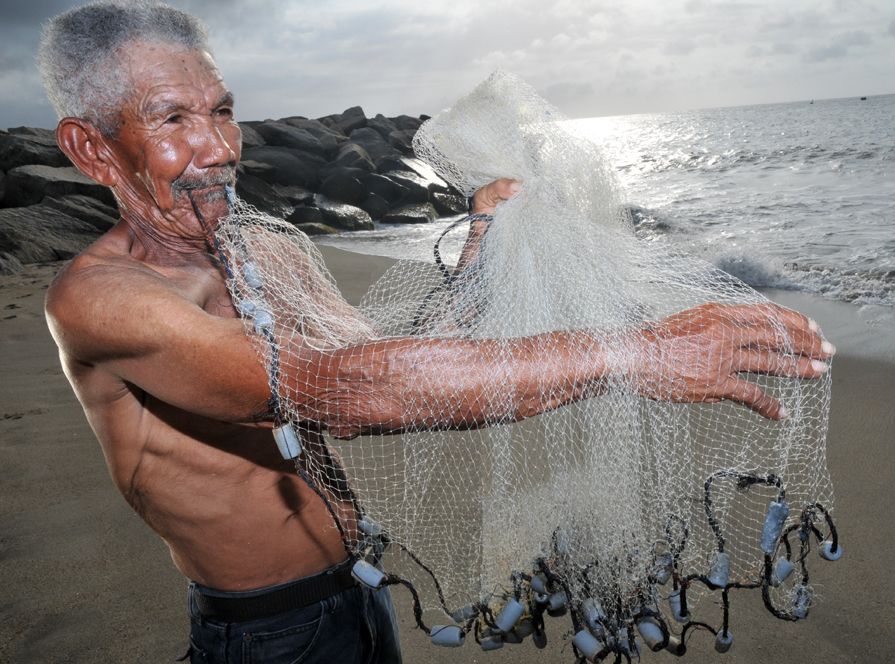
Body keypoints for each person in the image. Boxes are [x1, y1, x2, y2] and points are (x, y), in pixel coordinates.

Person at [38, 2, 833, 662]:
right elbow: (345, 392)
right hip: (264, 630)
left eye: (221, 110)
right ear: (90, 148)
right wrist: (633, 352)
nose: (218, 148)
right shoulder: (102, 300)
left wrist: (482, 237)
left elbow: (394, 361)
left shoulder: (265, 250)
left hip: (357, 590)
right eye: (172, 119)